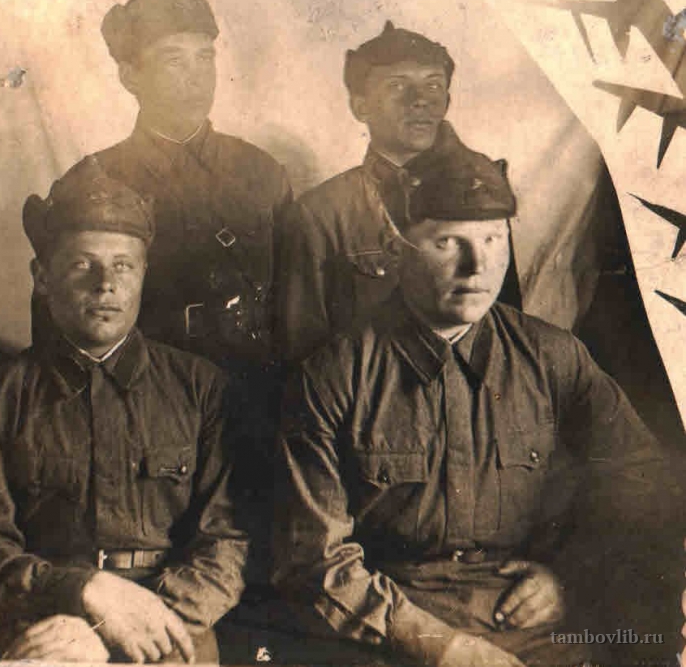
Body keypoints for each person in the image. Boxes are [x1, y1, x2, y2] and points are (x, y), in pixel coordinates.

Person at [271, 142, 662, 666]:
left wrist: (570, 575)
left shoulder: (553, 357)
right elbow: (313, 560)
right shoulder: (333, 377)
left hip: (529, 624)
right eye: (447, 242)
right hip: (389, 630)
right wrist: (441, 646)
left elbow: (641, 478)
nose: (477, 266)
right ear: (398, 247)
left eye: (493, 238)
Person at [0, 164, 248, 663]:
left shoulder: (202, 389)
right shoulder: (0, 397)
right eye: (83, 264)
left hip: (172, 630)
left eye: (124, 266)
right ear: (43, 277)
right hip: (47, 628)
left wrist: (125, 624)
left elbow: (228, 546)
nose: (106, 284)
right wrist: (80, 594)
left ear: (144, 273)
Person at [47, 0, 292, 372]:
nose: (196, 75)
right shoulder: (90, 182)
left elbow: (295, 309)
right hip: (141, 388)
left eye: (205, 58)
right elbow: (57, 330)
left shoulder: (261, 173)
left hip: (252, 386)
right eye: (174, 60)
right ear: (130, 76)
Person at [275, 21, 520, 362]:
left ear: (447, 101)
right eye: (397, 85)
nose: (420, 100)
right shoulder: (322, 214)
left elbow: (505, 331)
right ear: (360, 106)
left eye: (433, 85)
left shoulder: (483, 190)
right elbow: (302, 349)